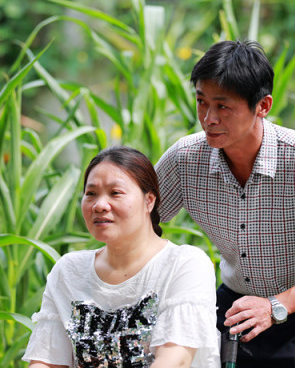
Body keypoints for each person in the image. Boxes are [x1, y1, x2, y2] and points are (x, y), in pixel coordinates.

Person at [155, 40, 295, 367]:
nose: (209, 118)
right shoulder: (186, 159)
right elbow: (140, 224)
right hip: (233, 307)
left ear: (263, 106)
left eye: (223, 106)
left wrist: (275, 306)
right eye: (201, 102)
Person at [22, 146, 220, 367]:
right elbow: (46, 362)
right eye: (91, 194)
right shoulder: (69, 271)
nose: (99, 205)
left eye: (115, 193)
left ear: (149, 201)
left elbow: (176, 359)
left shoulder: (184, 264)